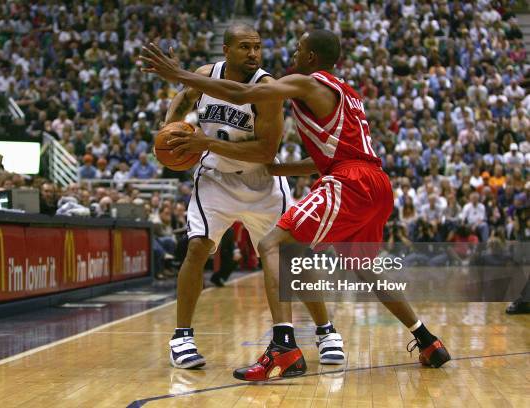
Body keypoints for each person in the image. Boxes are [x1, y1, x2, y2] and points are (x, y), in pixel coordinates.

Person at [142, 29, 450, 380]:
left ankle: (284, 347)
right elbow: (327, 157)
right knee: (363, 266)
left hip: (347, 180)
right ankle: (426, 339)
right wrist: (276, 168)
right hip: (371, 180)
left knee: (273, 245)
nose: (289, 56)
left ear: (311, 58)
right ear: (226, 49)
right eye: (247, 47)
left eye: (298, 51)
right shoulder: (346, 93)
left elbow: (242, 94)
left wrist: (177, 75)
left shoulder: (305, 83)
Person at [155, 24, 343, 371]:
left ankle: (325, 330)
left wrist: (205, 142)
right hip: (216, 178)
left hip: (262, 182)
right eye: (244, 47)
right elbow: (182, 99)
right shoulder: (205, 76)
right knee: (196, 247)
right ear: (226, 49)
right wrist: (171, 130)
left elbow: (265, 150)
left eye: (256, 47)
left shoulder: (267, 88)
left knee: (293, 258)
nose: (253, 54)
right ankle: (181, 337)